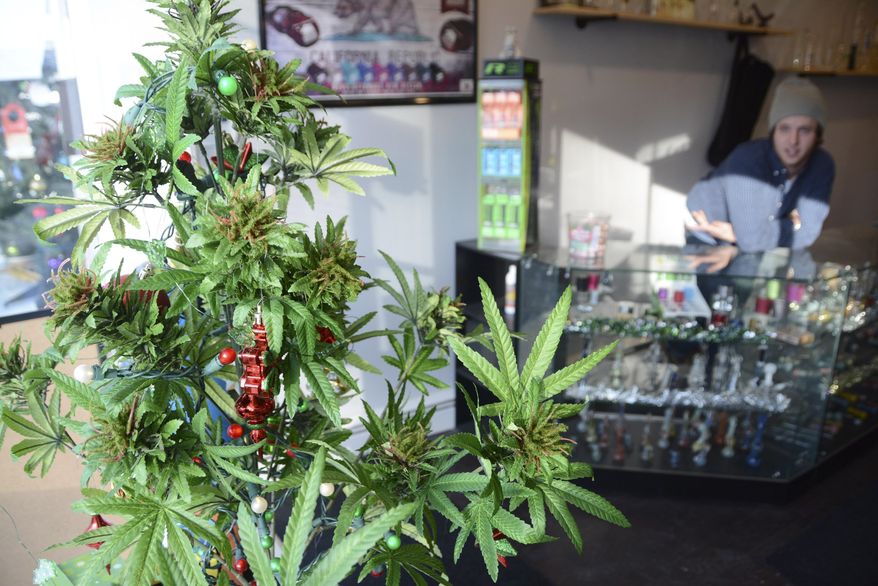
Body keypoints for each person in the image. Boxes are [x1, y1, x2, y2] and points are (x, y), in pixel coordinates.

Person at [687, 76, 835, 254]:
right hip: (708, 230)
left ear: (818, 135)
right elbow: (752, 241)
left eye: (804, 130)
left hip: (744, 235)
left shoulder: (822, 165)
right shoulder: (748, 160)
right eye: (785, 128)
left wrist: (739, 235)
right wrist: (793, 223)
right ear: (773, 132)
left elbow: (808, 234)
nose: (793, 141)